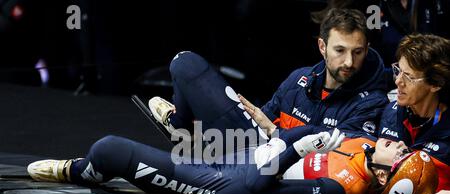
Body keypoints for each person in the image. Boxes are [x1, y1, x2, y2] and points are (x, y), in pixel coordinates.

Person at [149, 8, 389, 153]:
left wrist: (275, 132)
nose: (349, 61)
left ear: (366, 50)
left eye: (357, 52)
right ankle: (186, 130)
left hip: (281, 171)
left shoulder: (372, 103)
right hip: (252, 152)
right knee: (184, 62)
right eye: (340, 51)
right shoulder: (299, 79)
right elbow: (260, 121)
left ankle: (188, 131)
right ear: (322, 47)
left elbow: (330, 156)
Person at [26, 129, 437, 194]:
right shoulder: (363, 142)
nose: (398, 143)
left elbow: (260, 190)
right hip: (247, 151)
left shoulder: (343, 187)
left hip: (228, 183)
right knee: (185, 64)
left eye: (401, 154)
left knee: (110, 147)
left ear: (385, 176)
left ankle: (82, 171)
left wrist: (296, 149)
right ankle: (180, 128)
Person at [378, 33, 450, 192]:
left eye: (409, 77)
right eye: (398, 70)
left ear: (435, 84)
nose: (398, 81)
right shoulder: (391, 112)